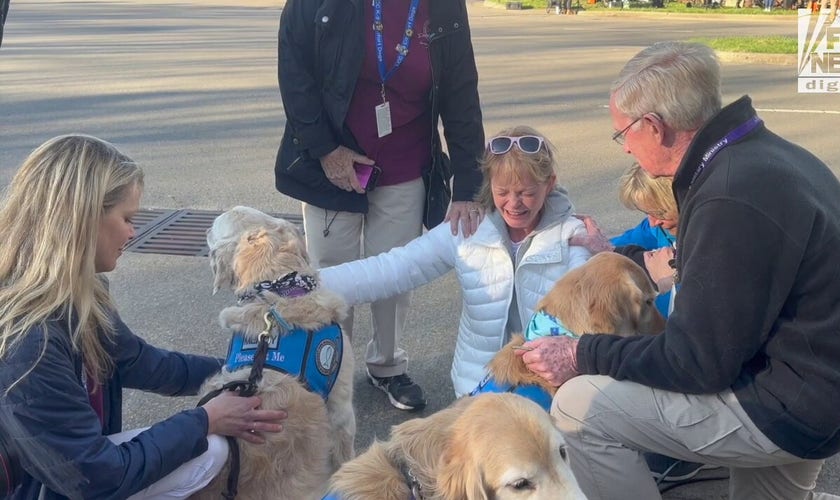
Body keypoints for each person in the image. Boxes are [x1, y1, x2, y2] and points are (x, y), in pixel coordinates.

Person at [518, 42, 840, 499]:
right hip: (831, 387)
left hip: (793, 405)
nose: (625, 147)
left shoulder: (728, 197)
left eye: (623, 134)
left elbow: (694, 364)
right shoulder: (765, 157)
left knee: (578, 405)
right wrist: (618, 254)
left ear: (654, 126)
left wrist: (581, 354)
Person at [0, 135, 287, 500]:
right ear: (83, 219)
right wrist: (205, 419)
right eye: (127, 218)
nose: (134, 232)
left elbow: (143, 363)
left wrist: (247, 369)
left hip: (70, 472)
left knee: (208, 449)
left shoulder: (78, 292)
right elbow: (95, 476)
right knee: (208, 445)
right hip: (44, 487)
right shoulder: (29, 340)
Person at [275, 0, 485, 412]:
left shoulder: (443, 7)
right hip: (332, 162)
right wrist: (325, 151)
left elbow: (461, 91)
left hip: (406, 162)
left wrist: (468, 186)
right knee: (331, 274)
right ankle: (329, 368)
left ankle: (387, 365)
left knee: (395, 276)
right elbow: (294, 73)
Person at [318, 125, 593, 398]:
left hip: (548, 388)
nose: (513, 203)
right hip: (478, 387)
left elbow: (590, 317)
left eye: (526, 192)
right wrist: (308, 284)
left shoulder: (574, 236)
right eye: (502, 191)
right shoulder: (469, 228)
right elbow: (393, 268)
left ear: (550, 184)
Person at [610, 163, 678, 317]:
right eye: (647, 212)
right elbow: (617, 244)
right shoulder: (658, 228)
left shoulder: (706, 240)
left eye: (660, 213)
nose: (653, 222)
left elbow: (673, 326)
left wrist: (665, 282)